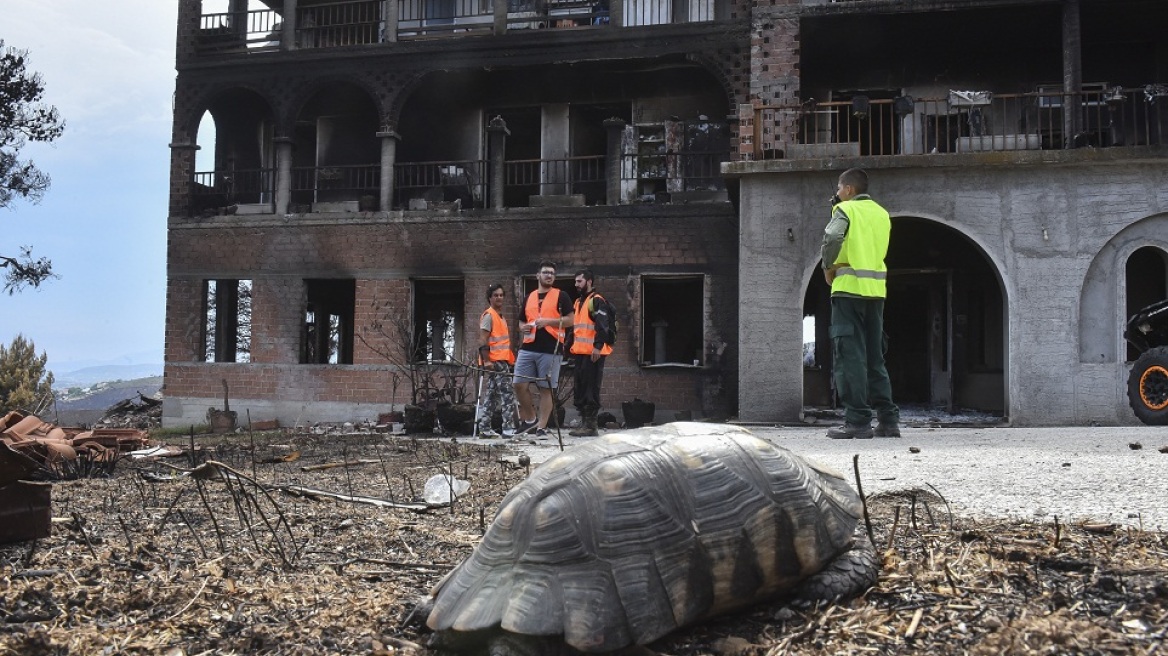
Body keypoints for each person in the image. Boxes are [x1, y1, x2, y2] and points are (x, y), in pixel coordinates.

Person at [821, 168, 900, 439]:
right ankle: (888, 421)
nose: (837, 194)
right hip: (875, 292)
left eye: (840, 190)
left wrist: (827, 267)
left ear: (849, 190)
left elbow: (832, 238)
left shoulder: (845, 211)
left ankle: (857, 421)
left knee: (849, 356)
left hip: (848, 292)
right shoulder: (881, 213)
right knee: (875, 356)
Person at [512, 261, 573, 437]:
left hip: (551, 348)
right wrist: (522, 327)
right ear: (538, 275)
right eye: (546, 272)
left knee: (546, 388)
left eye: (552, 273)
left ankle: (542, 427)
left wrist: (548, 322)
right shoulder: (529, 297)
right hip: (528, 347)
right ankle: (531, 420)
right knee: (518, 384)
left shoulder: (562, 296)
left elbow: (571, 320)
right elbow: (521, 320)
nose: (549, 276)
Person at [567, 269, 613, 437]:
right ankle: (585, 423)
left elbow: (603, 326)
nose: (576, 284)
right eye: (575, 281)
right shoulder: (579, 302)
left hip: (592, 353)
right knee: (581, 387)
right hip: (580, 353)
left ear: (589, 281)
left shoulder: (597, 301)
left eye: (579, 281)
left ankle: (591, 426)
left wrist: (597, 346)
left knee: (590, 388)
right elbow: (576, 329)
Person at [475, 283, 517, 438]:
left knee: (492, 395)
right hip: (495, 361)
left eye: (501, 295)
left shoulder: (501, 317)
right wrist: (486, 361)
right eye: (496, 295)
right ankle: (508, 429)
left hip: (501, 360)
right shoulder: (489, 316)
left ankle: (484, 428)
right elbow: (482, 340)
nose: (499, 297)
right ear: (490, 298)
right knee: (507, 394)